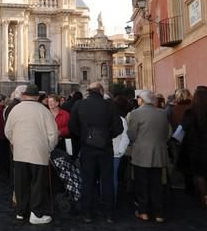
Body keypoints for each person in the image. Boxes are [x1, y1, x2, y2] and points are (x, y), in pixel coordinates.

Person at [68, 82, 123, 223]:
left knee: (87, 180)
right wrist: (106, 137)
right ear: (101, 91)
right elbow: (118, 128)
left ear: (89, 91)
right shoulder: (109, 105)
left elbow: (72, 125)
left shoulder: (79, 105)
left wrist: (84, 136)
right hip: (105, 148)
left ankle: (87, 214)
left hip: (87, 148)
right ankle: (109, 214)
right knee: (107, 181)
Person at [5, 83, 58, 224]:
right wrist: (48, 148)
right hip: (38, 153)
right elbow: (53, 134)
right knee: (37, 183)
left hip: (20, 153)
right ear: (37, 97)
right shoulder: (44, 111)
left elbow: (8, 131)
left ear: (24, 95)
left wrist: (16, 143)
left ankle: (21, 212)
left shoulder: (15, 110)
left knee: (21, 183)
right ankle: (36, 213)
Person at [127, 90, 171, 223]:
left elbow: (132, 135)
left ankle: (144, 212)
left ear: (141, 99)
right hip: (158, 153)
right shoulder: (163, 113)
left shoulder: (136, 113)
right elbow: (166, 133)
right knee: (157, 184)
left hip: (141, 153)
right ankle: (159, 213)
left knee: (142, 184)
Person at [112, 96, 130, 200]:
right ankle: (107, 199)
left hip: (115, 153)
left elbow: (125, 136)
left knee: (112, 177)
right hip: (109, 152)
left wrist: (120, 151)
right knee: (106, 177)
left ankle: (111, 200)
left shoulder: (122, 120)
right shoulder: (120, 119)